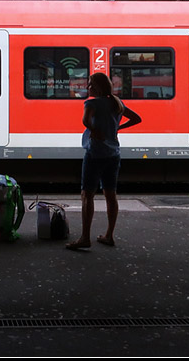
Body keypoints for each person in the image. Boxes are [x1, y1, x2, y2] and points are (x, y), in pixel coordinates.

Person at [67, 72, 142, 251]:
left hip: (95, 154)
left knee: (87, 195)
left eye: (90, 84)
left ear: (98, 87)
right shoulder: (116, 103)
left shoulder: (91, 103)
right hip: (113, 154)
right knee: (110, 195)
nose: (88, 87)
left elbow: (85, 120)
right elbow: (137, 119)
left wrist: (94, 130)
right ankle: (109, 235)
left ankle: (85, 237)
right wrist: (117, 128)